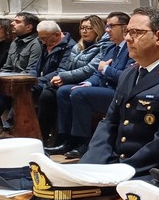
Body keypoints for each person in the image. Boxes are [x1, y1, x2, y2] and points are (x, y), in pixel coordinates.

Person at [81, 7, 159, 178]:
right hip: (116, 168)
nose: (128, 38)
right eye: (127, 32)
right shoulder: (129, 73)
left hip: (152, 174)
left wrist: (120, 170)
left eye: (136, 32)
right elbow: (109, 123)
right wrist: (90, 164)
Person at [47, 12, 133, 158]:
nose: (107, 30)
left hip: (117, 92)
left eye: (111, 26)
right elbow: (97, 74)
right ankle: (67, 139)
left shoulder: (131, 49)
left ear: (124, 28)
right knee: (63, 91)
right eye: (107, 26)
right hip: (103, 88)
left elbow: (126, 77)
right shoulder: (112, 48)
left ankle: (84, 142)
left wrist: (105, 69)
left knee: (79, 94)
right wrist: (87, 83)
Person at [37, 15, 106, 144]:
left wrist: (63, 77)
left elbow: (89, 69)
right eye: (82, 28)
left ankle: (65, 139)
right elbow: (63, 67)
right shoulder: (78, 47)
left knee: (53, 93)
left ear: (97, 29)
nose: (84, 31)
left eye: (88, 28)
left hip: (88, 82)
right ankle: (52, 137)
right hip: (70, 80)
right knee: (47, 91)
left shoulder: (102, 46)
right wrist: (60, 77)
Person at [0, 12, 42, 131]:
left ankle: (9, 127)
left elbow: (32, 72)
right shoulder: (15, 42)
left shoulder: (36, 44)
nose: (12, 23)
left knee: (19, 90)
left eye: (17, 21)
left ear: (29, 27)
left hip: (27, 83)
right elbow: (7, 67)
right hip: (12, 80)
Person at [34, 20, 75, 143]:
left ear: (57, 35)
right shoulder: (44, 44)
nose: (42, 41)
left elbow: (61, 70)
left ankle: (41, 136)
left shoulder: (69, 46)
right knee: (21, 89)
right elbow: (36, 67)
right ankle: (11, 127)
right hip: (42, 80)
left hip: (56, 81)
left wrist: (38, 80)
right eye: (40, 38)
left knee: (46, 95)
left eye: (45, 38)